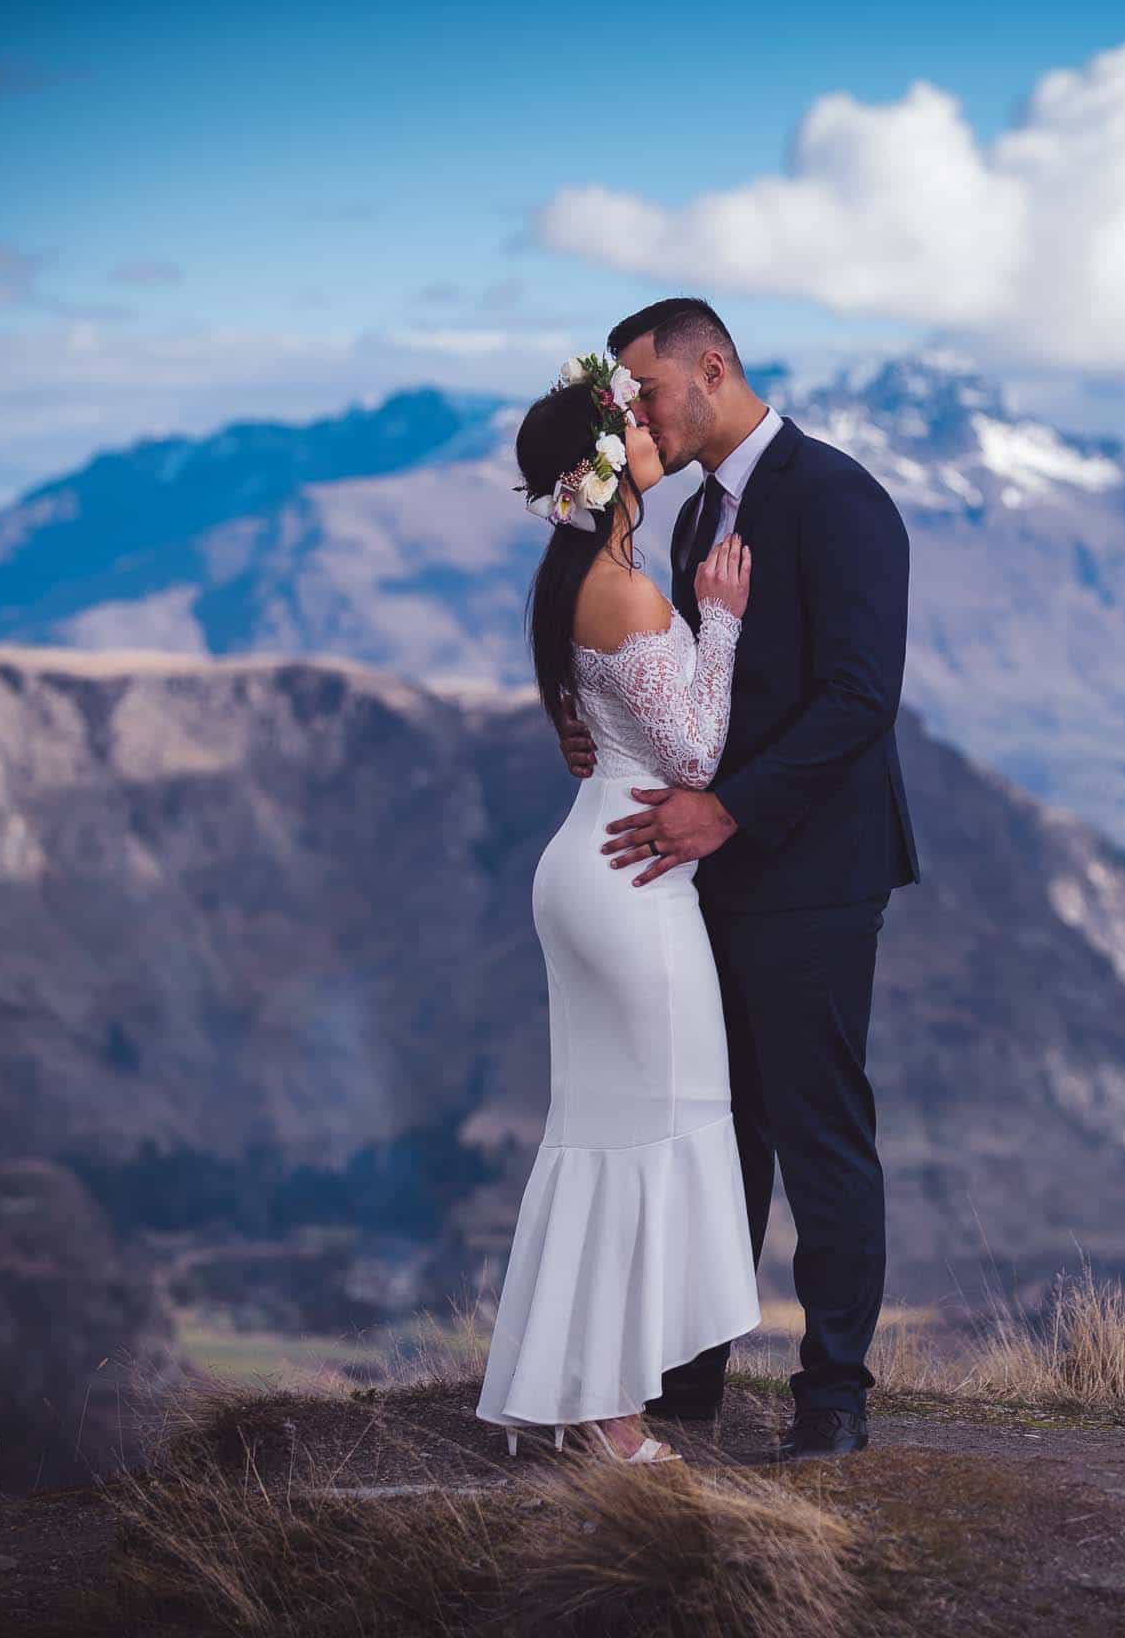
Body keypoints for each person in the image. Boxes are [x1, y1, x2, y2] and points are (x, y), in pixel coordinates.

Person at [553, 297, 921, 1461]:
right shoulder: (699, 513)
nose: (635, 417)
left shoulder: (839, 497)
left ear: (712, 367)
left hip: (813, 872)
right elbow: (695, 699)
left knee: (816, 1126)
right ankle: (691, 1369)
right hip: (704, 871)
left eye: (646, 393)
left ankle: (834, 1393)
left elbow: (862, 696)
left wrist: (730, 807)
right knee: (724, 1124)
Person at [474, 352, 762, 1465]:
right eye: (628, 420)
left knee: (606, 1133)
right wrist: (720, 619)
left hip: (594, 862)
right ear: (605, 468)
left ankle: (588, 1398)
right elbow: (694, 750)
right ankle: (612, 1422)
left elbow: (600, 726)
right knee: (656, 1126)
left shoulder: (570, 579)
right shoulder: (628, 586)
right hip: (634, 883)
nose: (649, 423)